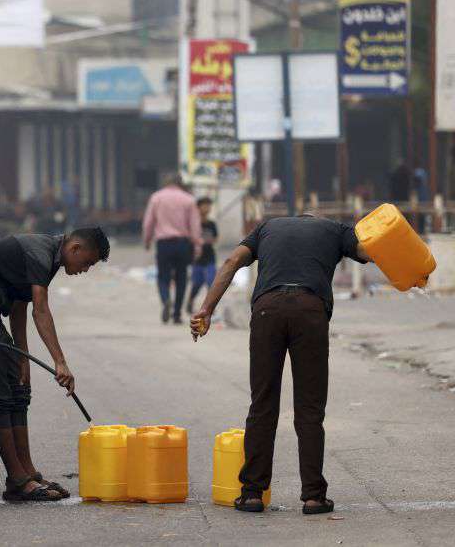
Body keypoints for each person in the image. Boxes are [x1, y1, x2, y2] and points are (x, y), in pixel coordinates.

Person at [189, 214, 371, 516]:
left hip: (267, 311)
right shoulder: (338, 230)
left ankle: (251, 495)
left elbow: (231, 262)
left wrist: (206, 310)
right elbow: (370, 253)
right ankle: (313, 497)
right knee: (310, 408)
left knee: (262, 404)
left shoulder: (266, 228)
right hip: (310, 311)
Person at [0, 226, 110, 502]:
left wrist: (22, 356)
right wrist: (60, 362)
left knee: (19, 389)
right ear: (74, 248)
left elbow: (18, 307)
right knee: (1, 396)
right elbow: (40, 309)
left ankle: (28, 473)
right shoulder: (41, 252)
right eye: (87, 262)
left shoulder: (50, 257)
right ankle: (17, 480)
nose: (85, 269)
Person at [143, 174, 202, 325]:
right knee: (181, 278)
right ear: (181, 184)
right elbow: (195, 226)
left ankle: (165, 300)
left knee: (163, 276)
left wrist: (147, 240)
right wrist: (197, 245)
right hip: (183, 244)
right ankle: (176, 314)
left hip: (164, 244)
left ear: (165, 183)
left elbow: (149, 222)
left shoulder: (156, 198)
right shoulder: (189, 199)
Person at [187, 197, 218, 313]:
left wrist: (208, 241)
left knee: (211, 283)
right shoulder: (194, 224)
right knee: (197, 283)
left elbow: (215, 238)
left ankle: (210, 308)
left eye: (209, 205)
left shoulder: (212, 224)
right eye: (204, 205)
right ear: (198, 207)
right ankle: (190, 301)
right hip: (197, 258)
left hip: (210, 257)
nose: (207, 208)